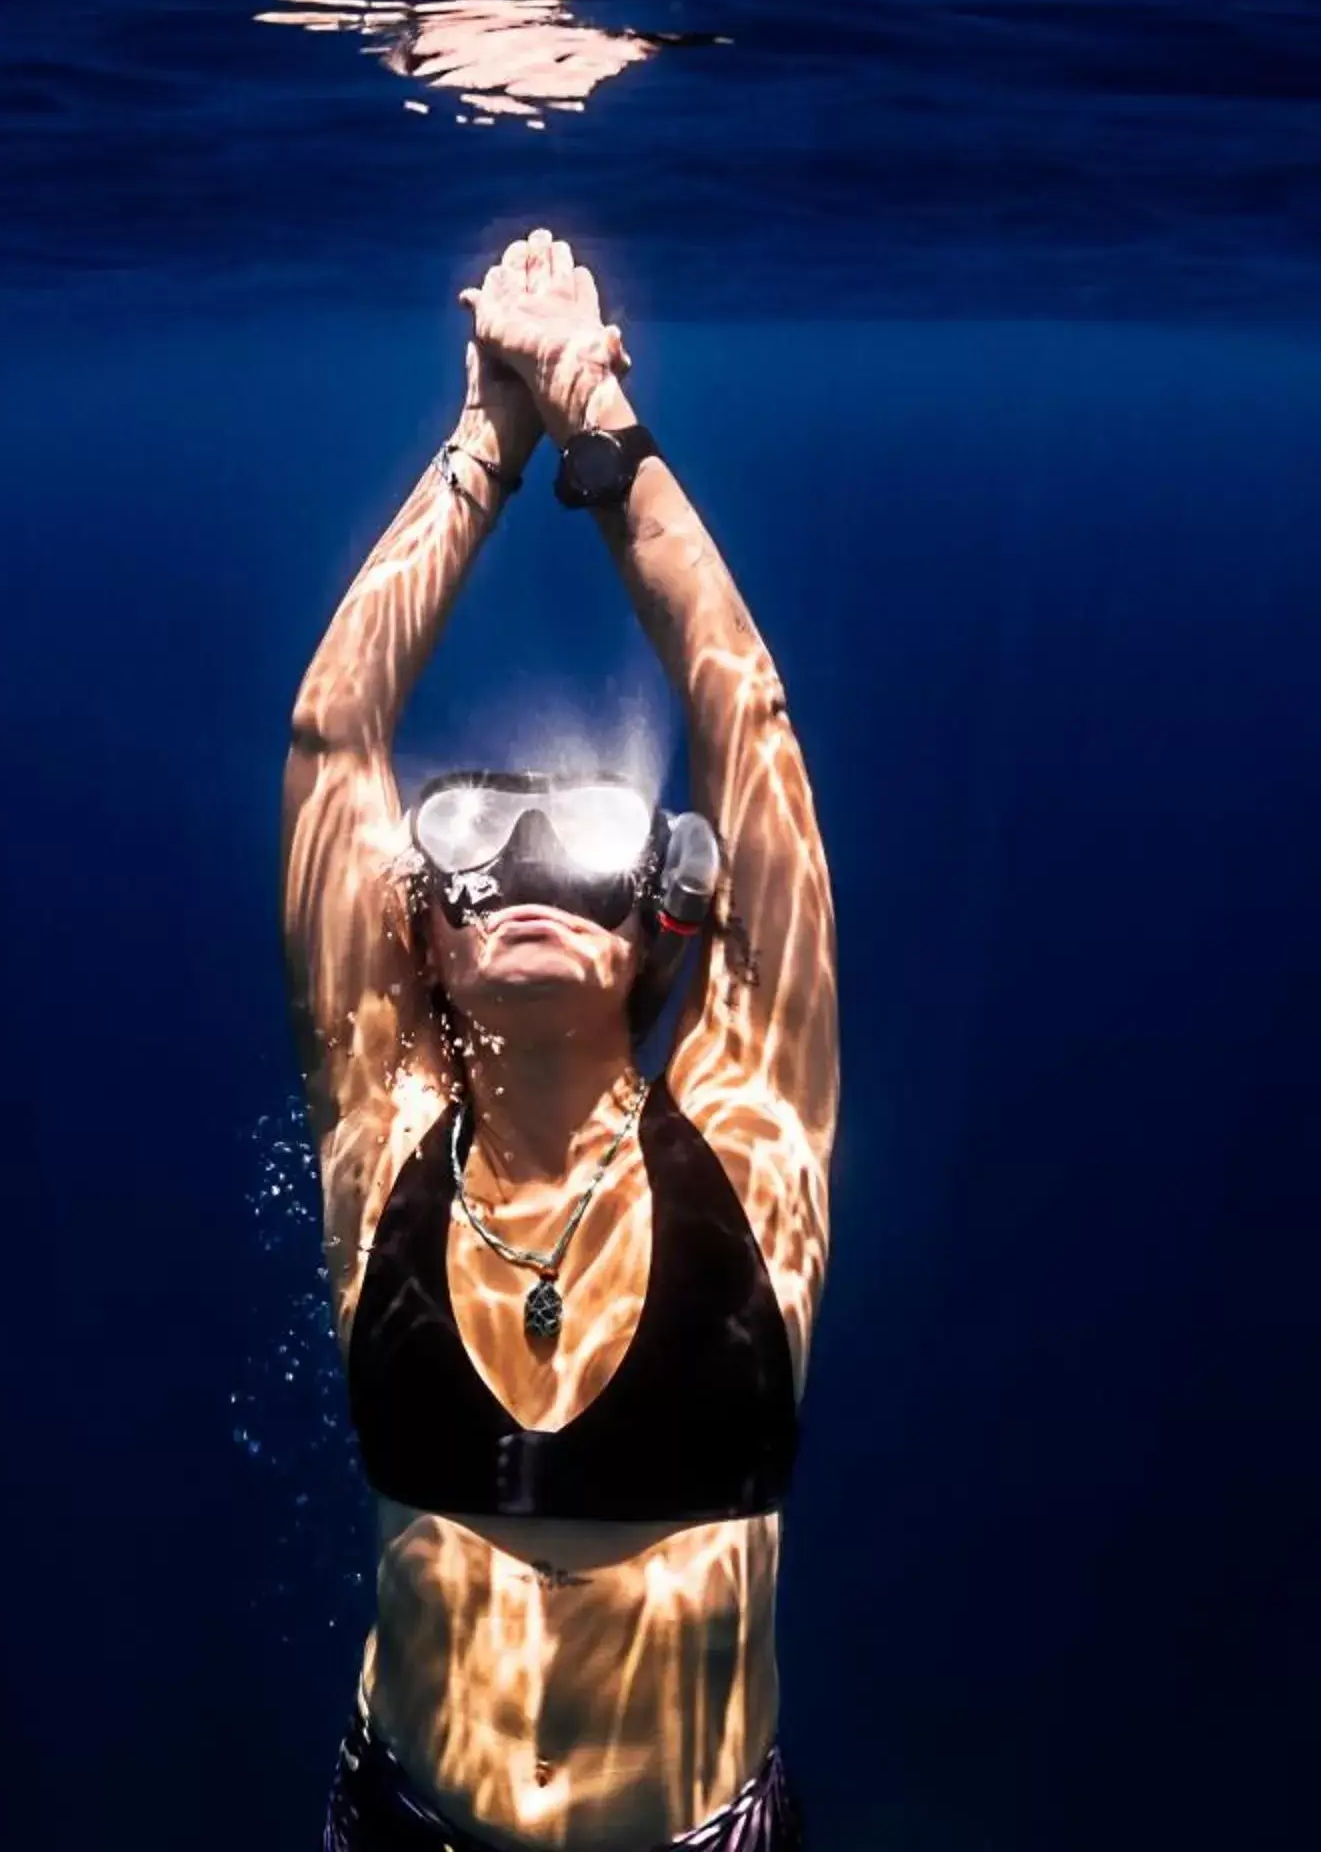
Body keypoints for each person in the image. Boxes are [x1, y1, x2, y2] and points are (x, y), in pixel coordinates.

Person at [281, 229, 838, 1851]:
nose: (528, 878)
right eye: (482, 852)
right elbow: (334, 746)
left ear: (658, 918)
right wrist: (482, 444)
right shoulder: (382, 1138)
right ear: (424, 937)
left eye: (583, 850)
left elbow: (751, 728)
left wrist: (595, 429)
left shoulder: (747, 1128)